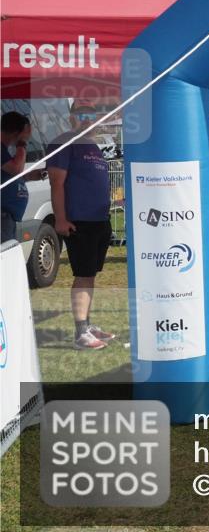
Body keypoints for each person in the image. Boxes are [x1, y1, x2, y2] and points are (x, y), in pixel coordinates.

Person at [47, 101, 114, 350]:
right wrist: (61, 219)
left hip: (99, 221)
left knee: (90, 275)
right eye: (82, 115)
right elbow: (57, 183)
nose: (88, 120)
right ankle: (80, 333)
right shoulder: (64, 142)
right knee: (82, 276)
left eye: (92, 115)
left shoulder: (93, 145)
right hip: (79, 223)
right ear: (71, 118)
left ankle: (87, 324)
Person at [1, 111, 32, 242]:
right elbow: (16, 169)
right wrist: (22, 143)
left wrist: (31, 176)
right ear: (16, 134)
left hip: (7, 218)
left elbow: (10, 175)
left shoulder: (4, 151)